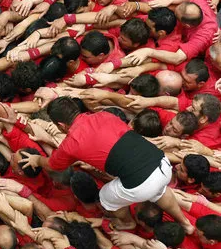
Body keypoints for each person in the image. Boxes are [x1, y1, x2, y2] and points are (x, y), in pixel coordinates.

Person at [20, 96, 194, 233]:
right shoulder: (104, 114)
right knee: (160, 190)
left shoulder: (71, 143)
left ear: (60, 125)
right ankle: (185, 223)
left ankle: (127, 223)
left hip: (141, 183)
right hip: (163, 165)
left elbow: (52, 165)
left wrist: (37, 160)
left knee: (105, 197)